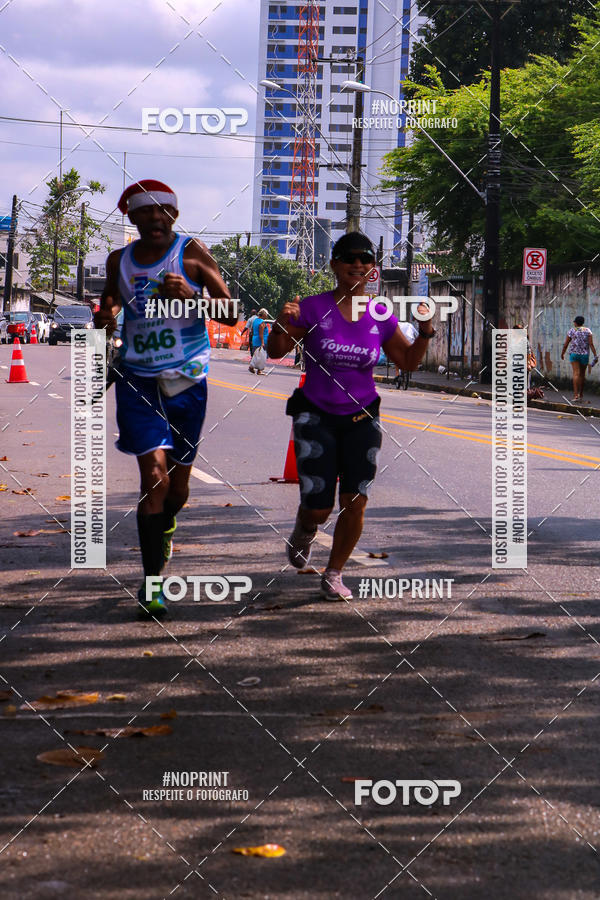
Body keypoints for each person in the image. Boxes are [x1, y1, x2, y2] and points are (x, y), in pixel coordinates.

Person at [267, 232, 436, 601]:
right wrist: (282, 322)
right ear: (335, 265)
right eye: (349, 259)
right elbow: (276, 350)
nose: (358, 265)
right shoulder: (312, 308)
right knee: (320, 506)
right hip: (315, 415)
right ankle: (306, 525)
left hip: (362, 417)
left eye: (365, 260)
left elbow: (406, 362)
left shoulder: (379, 314)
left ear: (372, 268)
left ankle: (333, 572)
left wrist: (425, 333)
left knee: (355, 500)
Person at [94, 179, 236, 618]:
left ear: (173, 216)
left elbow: (230, 312)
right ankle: (153, 584)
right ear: (132, 218)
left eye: (163, 212)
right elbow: (109, 307)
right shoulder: (119, 259)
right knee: (152, 476)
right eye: (145, 213)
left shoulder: (191, 253)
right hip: (139, 380)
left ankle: (167, 522)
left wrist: (193, 296)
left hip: (187, 382)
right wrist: (105, 319)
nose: (155, 219)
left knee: (177, 489)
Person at [561, 315, 597, 402]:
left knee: (576, 374)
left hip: (574, 354)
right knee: (582, 375)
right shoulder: (588, 331)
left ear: (576, 322)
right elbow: (591, 344)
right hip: (584, 355)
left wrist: (562, 353)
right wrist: (595, 355)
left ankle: (575, 395)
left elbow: (566, 344)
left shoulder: (571, 331)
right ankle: (581, 394)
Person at [249, 307, 270, 374]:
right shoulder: (262, 322)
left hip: (255, 340)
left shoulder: (255, 321)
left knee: (256, 355)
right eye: (266, 314)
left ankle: (257, 369)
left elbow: (251, 331)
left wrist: (252, 339)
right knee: (262, 356)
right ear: (263, 314)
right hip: (261, 341)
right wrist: (263, 342)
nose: (267, 316)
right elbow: (261, 333)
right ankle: (255, 369)